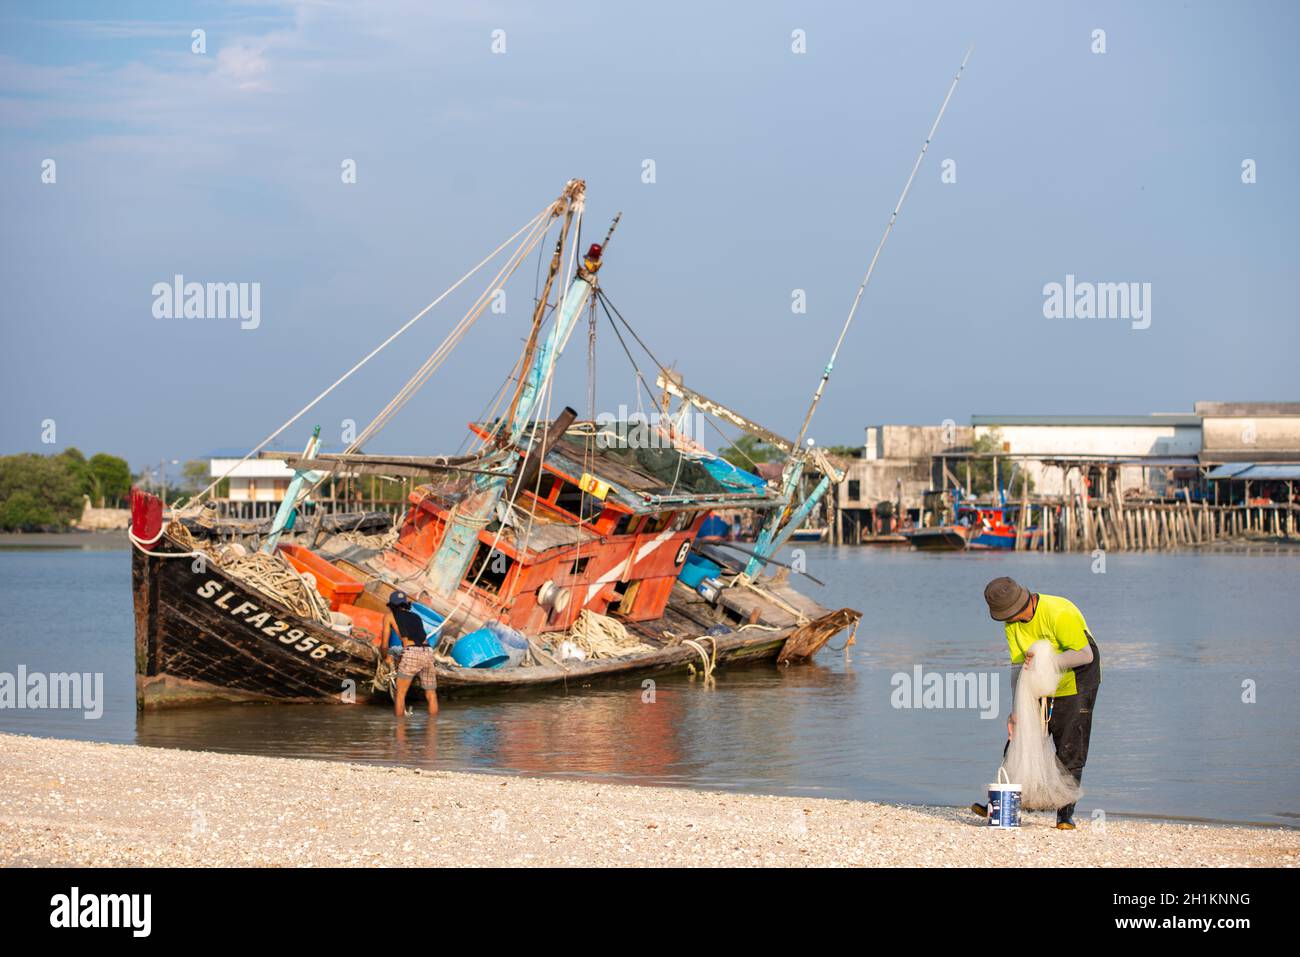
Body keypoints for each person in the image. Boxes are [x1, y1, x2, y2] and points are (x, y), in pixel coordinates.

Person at [972, 576, 1101, 830]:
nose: (1010, 620)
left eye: (1012, 614)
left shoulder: (1059, 612)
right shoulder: (1011, 623)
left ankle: (1065, 815)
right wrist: (1015, 712)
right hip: (1034, 678)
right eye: (1004, 616)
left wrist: (1046, 662)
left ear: (1025, 602)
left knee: (1069, 746)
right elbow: (1018, 666)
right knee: (1018, 741)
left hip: (1076, 679)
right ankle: (1005, 802)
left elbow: (1085, 655)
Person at [383, 590, 438, 718]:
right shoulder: (416, 617)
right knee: (431, 695)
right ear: (406, 604)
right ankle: (433, 732)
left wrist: (386, 657)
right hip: (428, 652)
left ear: (392, 605)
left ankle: (400, 733)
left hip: (412, 652)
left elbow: (385, 644)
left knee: (400, 694)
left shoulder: (390, 616)